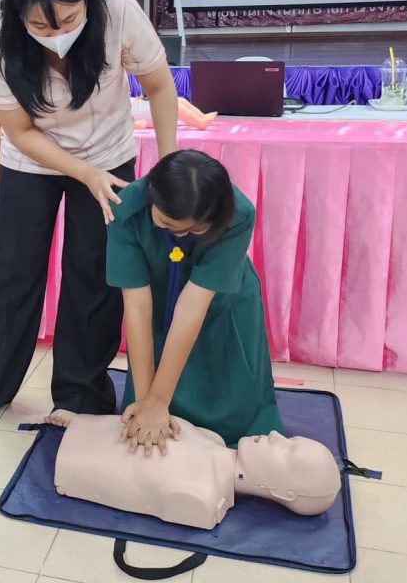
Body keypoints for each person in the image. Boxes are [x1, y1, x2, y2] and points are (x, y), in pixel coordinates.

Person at [0, 0, 178, 430]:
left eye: (70, 20)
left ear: (87, 0)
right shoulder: (1, 44)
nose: (57, 36)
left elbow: (160, 86)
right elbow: (21, 132)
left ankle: (79, 393)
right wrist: (82, 173)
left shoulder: (118, 12)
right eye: (41, 26)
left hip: (108, 156)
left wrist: (169, 163)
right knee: (14, 273)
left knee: (93, 274)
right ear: (19, 16)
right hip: (31, 161)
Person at [106, 149, 284, 452]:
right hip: (157, 298)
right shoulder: (126, 210)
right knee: (147, 416)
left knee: (231, 412)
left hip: (222, 301)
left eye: (194, 229)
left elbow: (192, 305)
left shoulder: (239, 213)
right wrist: (146, 401)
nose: (181, 235)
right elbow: (137, 307)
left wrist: (158, 401)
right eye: (169, 224)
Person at [56, 414, 341, 530]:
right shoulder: (214, 441)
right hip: (92, 431)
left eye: (288, 451)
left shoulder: (201, 498)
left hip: (73, 460)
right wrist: (82, 421)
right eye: (290, 440)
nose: (277, 436)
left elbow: (127, 478)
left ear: (284, 492)